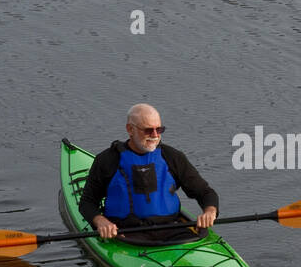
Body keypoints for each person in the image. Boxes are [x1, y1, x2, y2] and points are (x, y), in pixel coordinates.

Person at [78, 104, 219, 244]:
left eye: (159, 129)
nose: (155, 135)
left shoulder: (172, 157)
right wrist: (100, 221)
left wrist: (210, 211)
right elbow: (87, 203)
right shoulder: (107, 160)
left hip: (172, 230)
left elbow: (205, 192)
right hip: (125, 234)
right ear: (130, 129)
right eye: (148, 130)